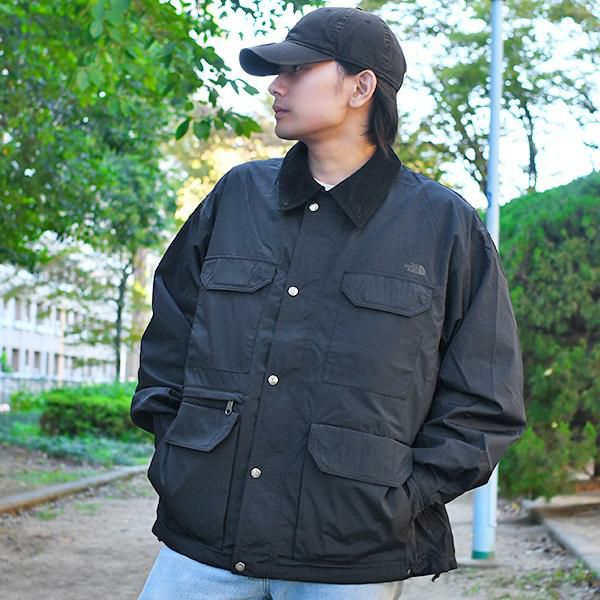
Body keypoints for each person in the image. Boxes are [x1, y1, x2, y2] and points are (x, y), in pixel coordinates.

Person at [130, 6, 526, 599]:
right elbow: (170, 338)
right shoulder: (238, 196)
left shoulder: (442, 225)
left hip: (350, 557)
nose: (276, 86)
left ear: (361, 87)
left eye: (296, 70)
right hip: (204, 540)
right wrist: (181, 459)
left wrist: (400, 499)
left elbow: (486, 399)